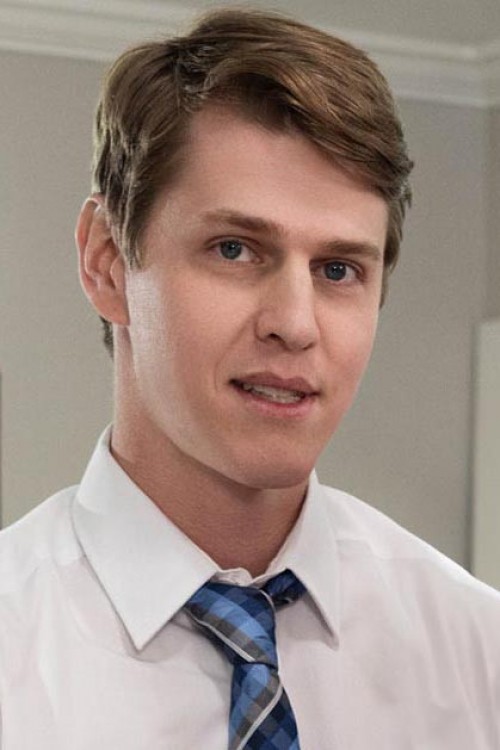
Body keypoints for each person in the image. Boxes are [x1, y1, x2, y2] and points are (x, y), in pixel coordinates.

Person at [1, 8, 499, 749]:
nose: (295, 324)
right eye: (234, 249)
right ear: (107, 262)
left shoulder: (478, 654)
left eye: (338, 269)